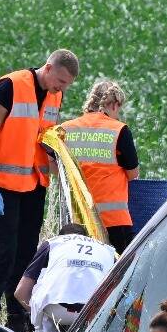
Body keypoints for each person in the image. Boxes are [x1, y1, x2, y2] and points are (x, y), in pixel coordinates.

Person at [0, 51, 78, 331]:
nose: (62, 88)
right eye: (60, 81)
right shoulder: (10, 86)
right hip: (4, 186)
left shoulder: (55, 95)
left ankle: (17, 318)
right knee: (5, 253)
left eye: (67, 84)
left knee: (26, 254)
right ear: (48, 68)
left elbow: (45, 138)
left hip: (34, 183)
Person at [60, 80, 141, 250]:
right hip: (113, 220)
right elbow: (133, 174)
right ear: (114, 104)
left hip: (78, 219)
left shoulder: (66, 129)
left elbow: (56, 167)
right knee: (120, 265)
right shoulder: (119, 130)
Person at [18, 224, 116, 332]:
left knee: (44, 279)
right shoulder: (108, 250)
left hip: (57, 312)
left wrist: (38, 313)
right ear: (87, 237)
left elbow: (20, 292)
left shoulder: (53, 243)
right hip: (95, 314)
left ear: (60, 236)